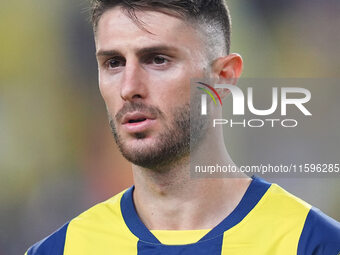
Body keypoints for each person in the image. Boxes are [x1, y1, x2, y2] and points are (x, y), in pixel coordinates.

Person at [26, 0, 340, 254]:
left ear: (224, 77)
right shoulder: (61, 249)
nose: (129, 87)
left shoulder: (313, 242)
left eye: (158, 59)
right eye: (114, 63)